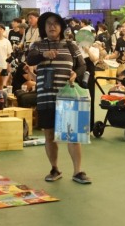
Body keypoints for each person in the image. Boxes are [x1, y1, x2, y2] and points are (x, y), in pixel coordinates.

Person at [26, 12, 90, 185]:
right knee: (49, 134)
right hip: (46, 97)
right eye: (48, 24)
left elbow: (83, 65)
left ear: (61, 27)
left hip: (68, 96)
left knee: (72, 135)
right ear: (43, 28)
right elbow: (29, 58)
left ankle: (78, 171)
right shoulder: (38, 45)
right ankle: (54, 168)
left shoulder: (71, 45)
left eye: (55, 23)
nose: (52, 26)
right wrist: (43, 55)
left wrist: (76, 74)